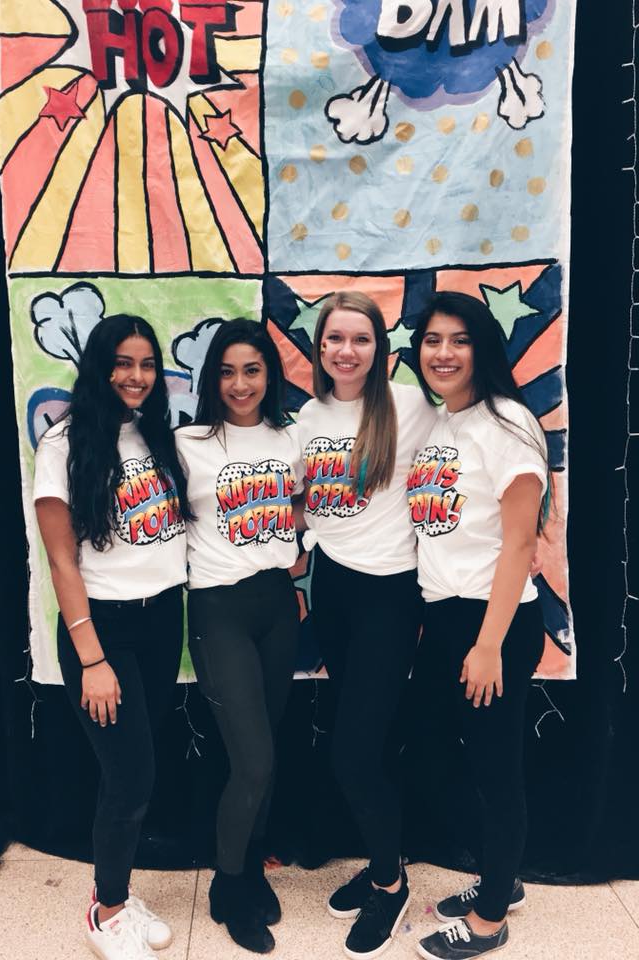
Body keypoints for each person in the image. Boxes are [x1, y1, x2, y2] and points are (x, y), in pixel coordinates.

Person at [34, 315, 190, 960]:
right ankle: (106, 913)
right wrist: (92, 658)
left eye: (147, 363)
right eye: (123, 363)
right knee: (131, 778)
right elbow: (61, 560)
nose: (137, 376)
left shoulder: (154, 433)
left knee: (128, 771)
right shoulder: (64, 443)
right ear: (98, 367)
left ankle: (116, 891)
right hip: (103, 629)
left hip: (162, 620)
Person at [406, 291, 550, 960]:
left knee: (496, 772)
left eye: (459, 340)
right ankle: (501, 875)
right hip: (445, 617)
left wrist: (488, 644)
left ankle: (491, 917)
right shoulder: (441, 423)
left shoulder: (508, 423)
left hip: (494, 622)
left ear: (482, 347)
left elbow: (520, 543)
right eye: (433, 340)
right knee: (443, 757)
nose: (444, 353)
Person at [296, 290, 437, 960]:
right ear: (319, 347)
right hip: (333, 588)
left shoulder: (411, 407)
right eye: (334, 338)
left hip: (390, 594)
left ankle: (390, 883)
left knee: (353, 752)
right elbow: (304, 503)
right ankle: (385, 860)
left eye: (360, 338)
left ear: (380, 348)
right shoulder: (309, 415)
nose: (345, 350)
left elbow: (461, 467)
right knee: (366, 744)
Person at [175, 319, 303, 955]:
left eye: (252, 370)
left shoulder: (290, 436)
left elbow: (304, 500)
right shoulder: (188, 442)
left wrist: (295, 540)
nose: (240, 383)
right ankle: (227, 888)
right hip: (218, 608)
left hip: (276, 604)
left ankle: (251, 866)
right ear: (211, 379)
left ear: (269, 375)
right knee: (250, 759)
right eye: (226, 371)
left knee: (269, 750)